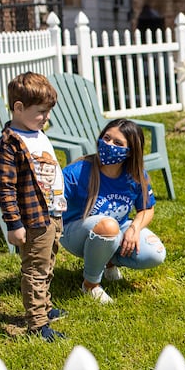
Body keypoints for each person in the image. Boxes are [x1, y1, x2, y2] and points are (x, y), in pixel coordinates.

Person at [0, 72, 68, 342]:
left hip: (52, 214)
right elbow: (5, 187)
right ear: (18, 107)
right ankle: (37, 324)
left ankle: (45, 309)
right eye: (41, 112)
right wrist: (14, 224)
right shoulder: (10, 145)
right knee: (35, 270)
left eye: (48, 112)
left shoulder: (36, 132)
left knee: (47, 265)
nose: (46, 117)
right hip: (33, 219)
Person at [60, 119, 166, 303]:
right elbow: (50, 205)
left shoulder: (135, 175)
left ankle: (107, 262)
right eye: (106, 138)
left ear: (130, 152)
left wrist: (134, 228)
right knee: (108, 226)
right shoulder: (77, 172)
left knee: (155, 253)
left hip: (115, 228)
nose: (109, 145)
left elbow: (147, 208)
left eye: (118, 143)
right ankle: (90, 284)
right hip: (74, 232)